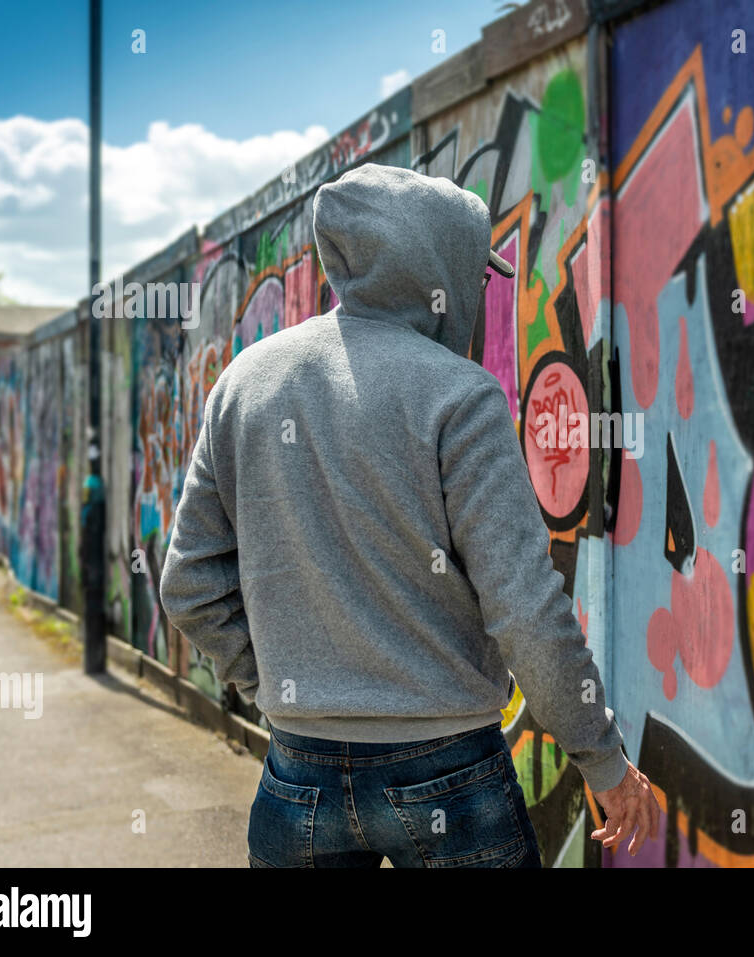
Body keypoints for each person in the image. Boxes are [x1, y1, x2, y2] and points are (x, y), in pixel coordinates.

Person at [158, 162, 659, 868]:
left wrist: (276, 688)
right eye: (476, 275)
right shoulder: (460, 395)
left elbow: (187, 587)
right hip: (451, 776)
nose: (479, 294)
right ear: (436, 269)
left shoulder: (244, 384)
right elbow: (524, 608)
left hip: (297, 775)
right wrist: (601, 758)